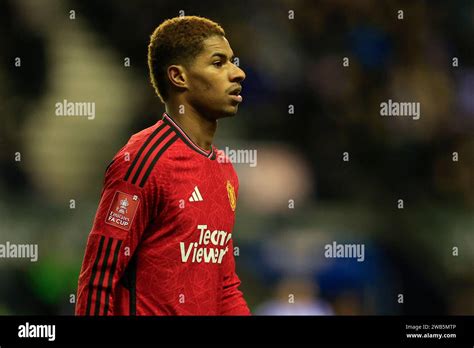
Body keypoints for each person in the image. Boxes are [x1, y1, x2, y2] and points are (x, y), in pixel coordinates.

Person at [75, 16, 249, 315]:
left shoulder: (224, 169)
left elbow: (224, 284)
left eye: (233, 61)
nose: (238, 73)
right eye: (219, 63)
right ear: (179, 77)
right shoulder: (143, 161)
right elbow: (99, 276)